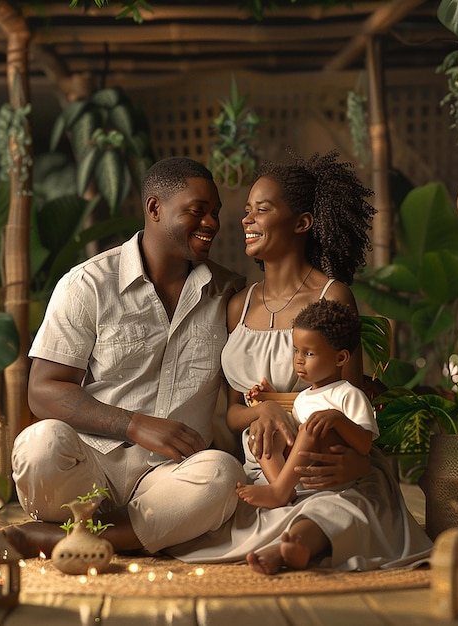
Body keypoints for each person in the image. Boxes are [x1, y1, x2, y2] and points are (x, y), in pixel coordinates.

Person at [167, 150, 433, 574]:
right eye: (247, 211)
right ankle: (294, 535)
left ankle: (296, 545)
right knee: (222, 512)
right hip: (263, 464)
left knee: (338, 505)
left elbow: (351, 396)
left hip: (326, 461)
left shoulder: (332, 297)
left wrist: (357, 462)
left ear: (302, 222)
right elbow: (233, 411)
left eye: (263, 209)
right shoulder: (238, 305)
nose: (246, 220)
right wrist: (265, 409)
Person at [3, 156, 251, 558]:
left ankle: (61, 539)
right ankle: (136, 535)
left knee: (223, 474)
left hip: (171, 479)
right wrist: (135, 425)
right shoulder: (87, 284)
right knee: (39, 444)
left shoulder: (228, 295)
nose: (212, 224)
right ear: (154, 208)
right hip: (86, 470)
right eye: (197, 211)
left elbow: (244, 394)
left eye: (216, 213)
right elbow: (43, 390)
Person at [236, 298, 379, 510]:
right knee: (264, 433)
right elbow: (290, 432)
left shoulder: (348, 394)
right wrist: (269, 398)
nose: (299, 360)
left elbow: (365, 444)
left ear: (340, 358)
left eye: (309, 353)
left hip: (331, 472)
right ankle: (283, 489)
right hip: (302, 476)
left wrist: (337, 419)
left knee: (311, 426)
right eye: (296, 350)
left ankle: (278, 491)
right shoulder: (302, 398)